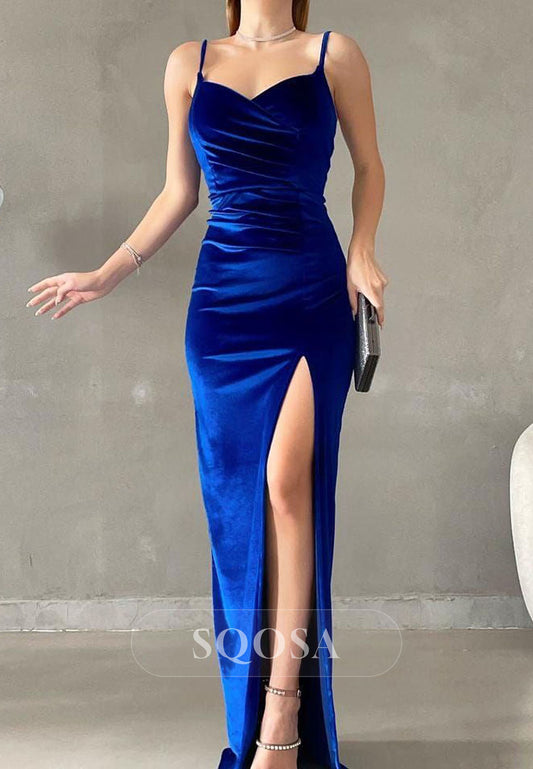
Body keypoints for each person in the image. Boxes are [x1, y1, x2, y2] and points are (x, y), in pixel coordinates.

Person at [26, 2, 387, 767]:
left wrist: (362, 250)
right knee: (237, 509)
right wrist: (107, 273)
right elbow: (177, 192)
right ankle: (256, 716)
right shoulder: (187, 63)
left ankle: (282, 719)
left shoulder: (334, 55)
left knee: (288, 485)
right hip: (222, 308)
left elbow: (370, 167)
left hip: (308, 292)